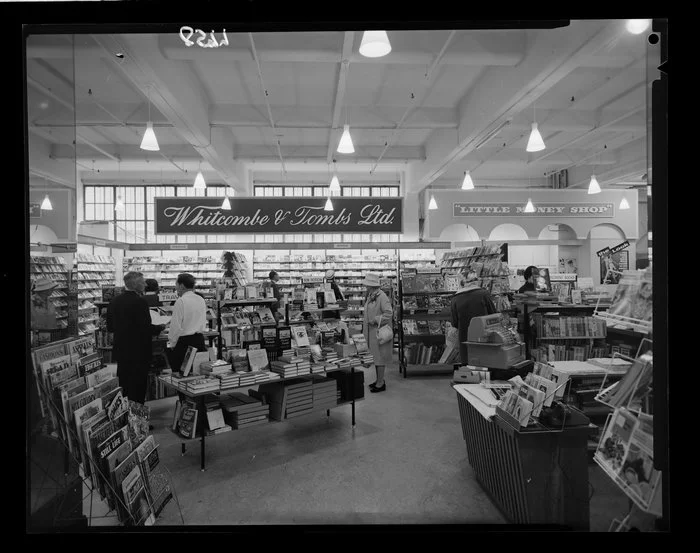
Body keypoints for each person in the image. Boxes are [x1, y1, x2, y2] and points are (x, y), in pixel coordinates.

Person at [106, 271, 165, 404]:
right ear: (135, 284)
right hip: (138, 352)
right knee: (138, 388)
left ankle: (126, 419)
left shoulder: (114, 301)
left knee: (125, 386)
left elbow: (110, 327)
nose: (145, 284)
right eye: (142, 282)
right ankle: (139, 423)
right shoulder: (140, 302)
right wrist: (160, 327)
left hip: (121, 350)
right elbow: (145, 328)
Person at [450, 268, 497, 366]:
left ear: (462, 283)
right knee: (484, 362)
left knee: (468, 363)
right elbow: (493, 314)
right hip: (484, 336)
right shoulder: (483, 294)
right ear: (476, 281)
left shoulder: (455, 299)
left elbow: (454, 323)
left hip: (465, 338)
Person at [167, 273, 208, 372]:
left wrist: (172, 343)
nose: (175, 287)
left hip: (185, 343)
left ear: (181, 285)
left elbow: (175, 326)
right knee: (198, 372)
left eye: (176, 284)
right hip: (199, 341)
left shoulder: (181, 301)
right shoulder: (200, 299)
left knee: (182, 374)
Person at [362, 273, 393, 393]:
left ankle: (381, 383)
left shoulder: (382, 296)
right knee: (376, 358)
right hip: (372, 333)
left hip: (379, 333)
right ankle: (378, 380)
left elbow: (388, 313)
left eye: (367, 285)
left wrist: (375, 319)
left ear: (371, 285)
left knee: (380, 358)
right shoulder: (371, 295)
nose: (366, 287)